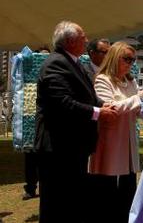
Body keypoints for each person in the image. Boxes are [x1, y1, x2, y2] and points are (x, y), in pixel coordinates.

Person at [34, 20, 117, 223]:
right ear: (70, 41)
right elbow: (63, 103)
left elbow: (86, 95)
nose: (86, 41)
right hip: (58, 147)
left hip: (73, 146)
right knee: (56, 202)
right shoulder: (56, 63)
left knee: (71, 201)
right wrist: (98, 112)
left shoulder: (74, 62)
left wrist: (102, 104)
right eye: (83, 38)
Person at [89, 41, 143, 222]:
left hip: (129, 143)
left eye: (133, 60)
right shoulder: (102, 80)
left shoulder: (130, 81)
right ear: (114, 58)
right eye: (127, 59)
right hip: (111, 144)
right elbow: (111, 108)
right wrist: (136, 99)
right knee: (107, 196)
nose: (130, 63)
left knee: (127, 192)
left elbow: (137, 109)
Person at [22, 47, 50, 201]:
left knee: (46, 162)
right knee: (30, 160)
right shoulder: (30, 76)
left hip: (47, 128)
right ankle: (30, 188)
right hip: (30, 126)